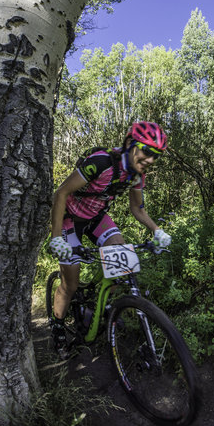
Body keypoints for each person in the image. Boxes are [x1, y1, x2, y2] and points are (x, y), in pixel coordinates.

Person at [49, 121, 171, 357]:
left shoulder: (136, 176)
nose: (150, 159)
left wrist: (157, 230)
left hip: (96, 218)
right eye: (147, 151)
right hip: (69, 219)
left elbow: (138, 209)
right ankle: (57, 328)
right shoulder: (102, 162)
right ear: (130, 144)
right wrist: (56, 238)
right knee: (71, 283)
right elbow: (61, 192)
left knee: (123, 263)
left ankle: (100, 309)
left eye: (156, 155)